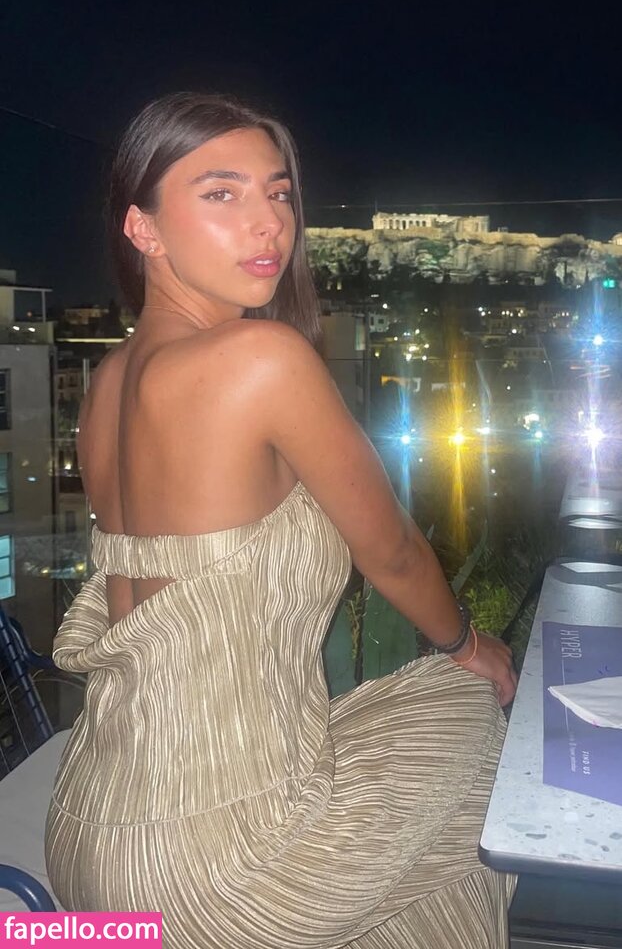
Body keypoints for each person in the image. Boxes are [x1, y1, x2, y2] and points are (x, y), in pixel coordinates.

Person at [45, 92, 517, 948]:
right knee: (476, 724)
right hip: (211, 865)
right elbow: (392, 551)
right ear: (143, 228)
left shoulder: (106, 382)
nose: (268, 223)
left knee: (416, 838)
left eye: (279, 193)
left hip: (92, 840)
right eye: (221, 194)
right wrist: (467, 646)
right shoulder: (261, 358)